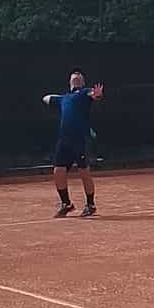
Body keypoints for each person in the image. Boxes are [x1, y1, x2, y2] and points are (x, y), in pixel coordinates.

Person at [42, 70, 104, 217]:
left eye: (79, 77)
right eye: (74, 77)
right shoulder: (63, 99)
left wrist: (97, 95)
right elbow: (45, 98)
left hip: (79, 140)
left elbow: (94, 95)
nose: (76, 77)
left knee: (84, 172)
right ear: (70, 82)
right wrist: (60, 98)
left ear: (82, 82)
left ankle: (90, 205)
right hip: (64, 141)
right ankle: (66, 204)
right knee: (58, 171)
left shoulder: (84, 93)